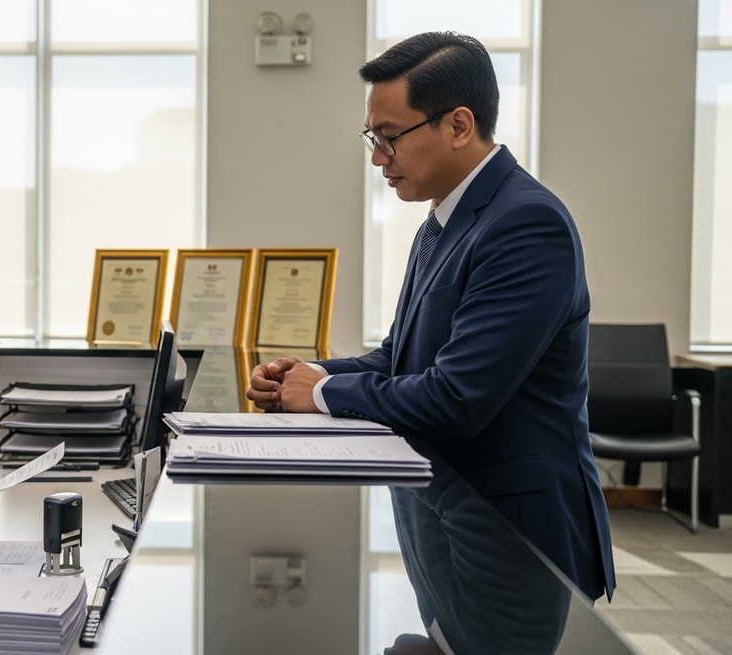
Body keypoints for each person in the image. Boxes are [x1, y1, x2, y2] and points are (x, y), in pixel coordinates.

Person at [246, 32, 615, 652]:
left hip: (515, 536)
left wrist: (327, 392)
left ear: (458, 125)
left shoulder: (527, 223)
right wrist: (302, 374)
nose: (378, 158)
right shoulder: (442, 222)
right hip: (447, 520)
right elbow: (399, 358)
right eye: (373, 139)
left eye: (388, 136)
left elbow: (458, 398)